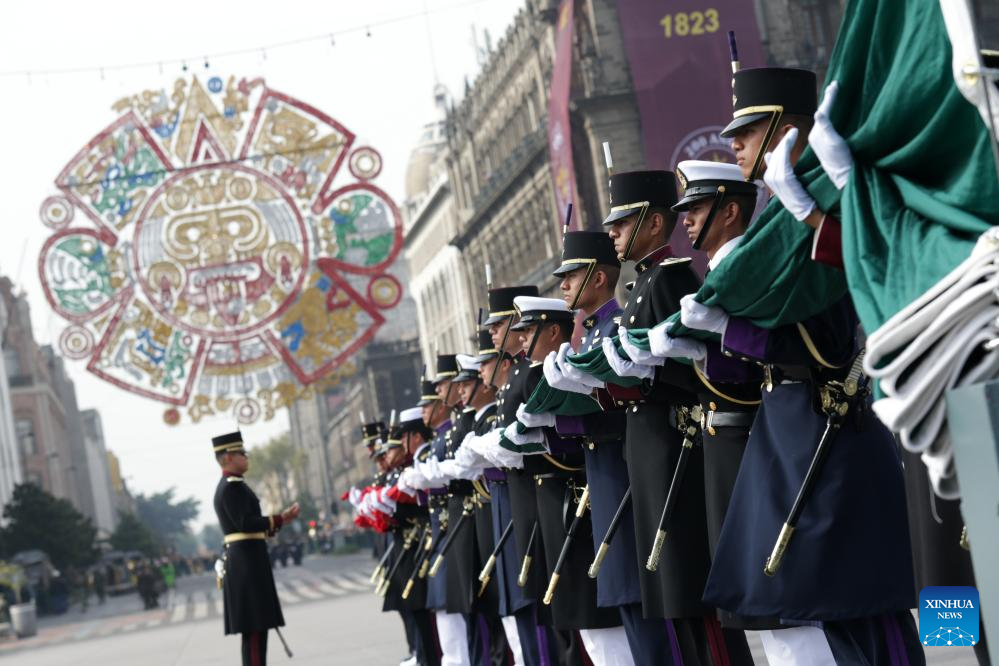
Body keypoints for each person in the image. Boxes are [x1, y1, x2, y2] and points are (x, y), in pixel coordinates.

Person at [688, 66, 923, 664]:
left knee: (890, 593)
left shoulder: (815, 204)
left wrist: (734, 329)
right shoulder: (780, 218)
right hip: (794, 427)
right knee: (813, 605)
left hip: (848, 420)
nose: (733, 144)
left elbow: (833, 330)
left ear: (785, 129)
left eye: (746, 132)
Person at [550, 230, 676, 665]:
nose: (562, 284)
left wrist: (588, 387)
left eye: (572, 275)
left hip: (625, 473)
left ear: (600, 278)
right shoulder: (588, 335)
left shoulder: (614, 327)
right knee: (626, 600)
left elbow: (629, 400)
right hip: (605, 477)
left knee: (646, 609)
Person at [508, 295, 629, 665]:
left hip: (581, 496)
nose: (520, 340)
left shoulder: (559, 365)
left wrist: (548, 432)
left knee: (605, 629)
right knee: (588, 631)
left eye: (528, 330)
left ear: (554, 329)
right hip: (557, 503)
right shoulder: (538, 372)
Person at [212, 430, 300, 666]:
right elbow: (246, 523)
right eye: (242, 453)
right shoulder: (231, 487)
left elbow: (249, 527)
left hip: (248, 562)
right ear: (228, 457)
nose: (246, 457)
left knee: (258, 631)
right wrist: (280, 518)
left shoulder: (236, 486)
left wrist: (277, 523)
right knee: (254, 632)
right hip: (245, 566)